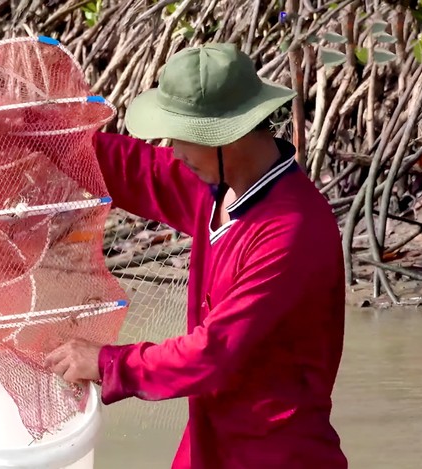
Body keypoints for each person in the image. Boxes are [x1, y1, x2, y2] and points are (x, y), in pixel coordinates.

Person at [45, 43, 348, 468]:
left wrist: (107, 362)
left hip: (274, 453)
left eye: (186, 138)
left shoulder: (291, 230)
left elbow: (213, 353)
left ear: (231, 135)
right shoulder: (220, 185)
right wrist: (36, 133)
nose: (177, 151)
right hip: (211, 442)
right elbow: (136, 168)